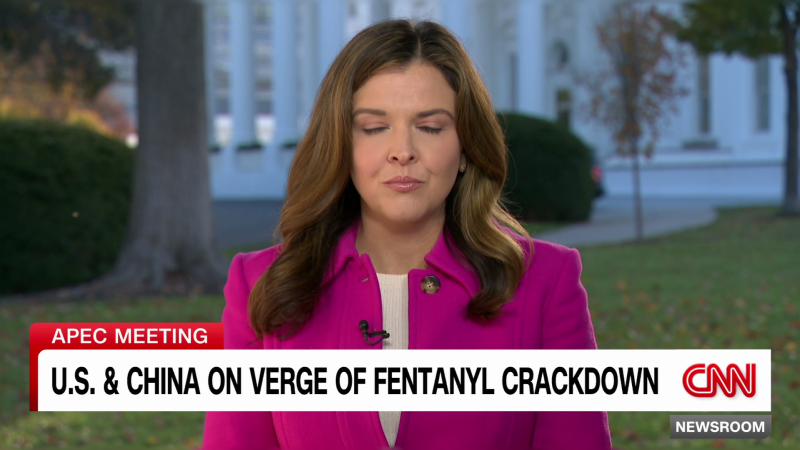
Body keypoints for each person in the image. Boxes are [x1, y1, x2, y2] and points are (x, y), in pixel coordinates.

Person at [203, 19, 611, 450]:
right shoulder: (261, 284)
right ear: (343, 145)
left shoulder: (545, 281)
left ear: (465, 149)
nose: (403, 152)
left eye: (430, 127)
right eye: (374, 127)